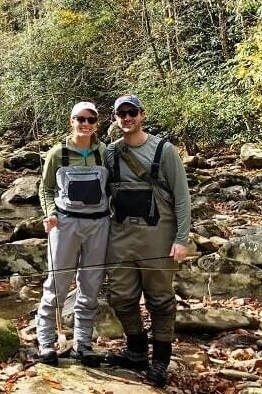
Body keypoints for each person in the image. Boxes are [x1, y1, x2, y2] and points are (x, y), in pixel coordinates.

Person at [104, 94, 192, 387]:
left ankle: (160, 360)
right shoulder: (111, 153)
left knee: (160, 300)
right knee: (120, 296)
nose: (127, 118)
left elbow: (182, 198)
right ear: (115, 118)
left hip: (158, 236)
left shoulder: (165, 151)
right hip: (121, 236)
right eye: (121, 114)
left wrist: (182, 239)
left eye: (132, 113)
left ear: (142, 115)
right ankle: (137, 350)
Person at [35, 101, 110, 368]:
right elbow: (45, 189)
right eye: (80, 119)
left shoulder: (104, 152)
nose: (85, 124)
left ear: (96, 124)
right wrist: (49, 213)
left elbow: (113, 187)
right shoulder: (58, 153)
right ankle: (45, 342)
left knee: (90, 286)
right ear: (72, 121)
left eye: (91, 120)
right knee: (56, 284)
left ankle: (83, 344)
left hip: (99, 225)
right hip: (65, 225)